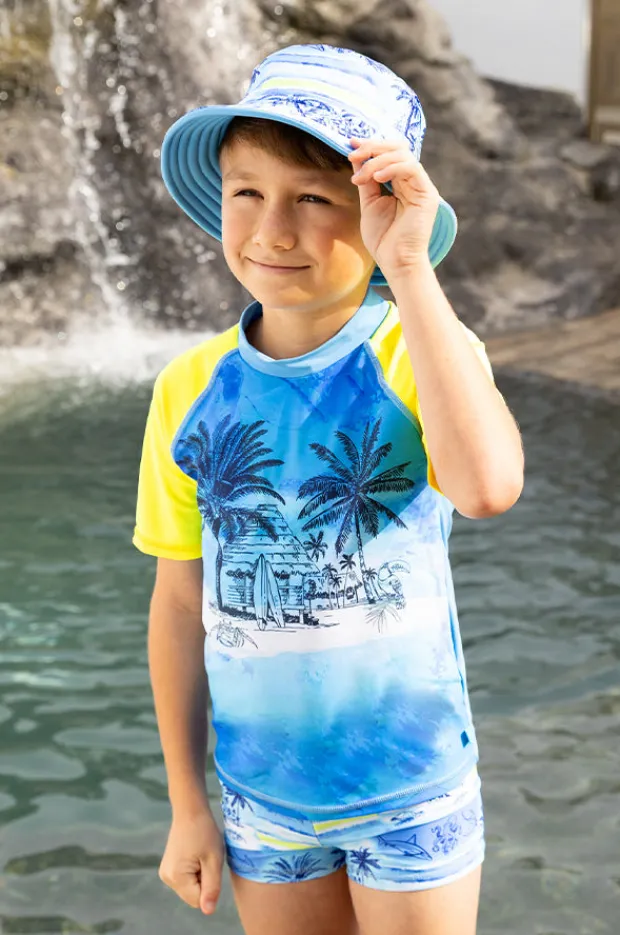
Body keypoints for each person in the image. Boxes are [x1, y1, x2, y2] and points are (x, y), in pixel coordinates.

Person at [133, 44, 524, 935]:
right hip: (262, 800)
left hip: (411, 790)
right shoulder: (187, 389)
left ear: (380, 209)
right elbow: (180, 600)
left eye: (313, 199)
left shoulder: (420, 351)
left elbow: (487, 488)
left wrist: (410, 269)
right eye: (247, 192)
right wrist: (188, 803)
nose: (272, 232)